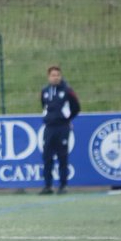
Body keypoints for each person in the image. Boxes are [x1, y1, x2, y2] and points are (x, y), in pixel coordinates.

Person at [40, 66, 81, 195]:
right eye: (53, 75)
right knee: (47, 157)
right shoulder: (45, 91)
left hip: (62, 128)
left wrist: (67, 119)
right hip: (49, 128)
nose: (55, 77)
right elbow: (44, 105)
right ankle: (48, 186)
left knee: (62, 156)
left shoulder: (67, 90)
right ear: (48, 77)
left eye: (58, 75)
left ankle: (63, 186)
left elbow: (76, 107)